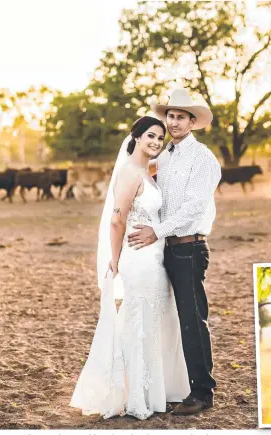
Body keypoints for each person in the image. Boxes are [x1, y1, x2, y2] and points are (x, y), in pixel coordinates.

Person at [70, 116, 190, 420]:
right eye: (150, 135)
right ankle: (134, 396)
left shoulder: (146, 173)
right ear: (135, 137)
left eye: (160, 139)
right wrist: (115, 258)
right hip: (138, 259)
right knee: (139, 322)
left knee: (150, 322)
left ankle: (150, 391)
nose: (155, 142)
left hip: (155, 257)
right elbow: (117, 217)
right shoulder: (128, 172)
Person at [127, 88, 222, 415]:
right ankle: (173, 384)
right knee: (172, 319)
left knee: (193, 320)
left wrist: (158, 231)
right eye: (171, 116)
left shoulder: (203, 158)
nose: (174, 121)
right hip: (165, 250)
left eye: (181, 116)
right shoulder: (164, 157)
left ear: (193, 122)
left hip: (190, 247)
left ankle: (203, 393)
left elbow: (195, 207)